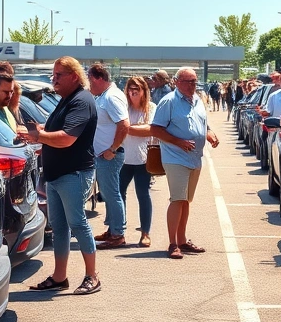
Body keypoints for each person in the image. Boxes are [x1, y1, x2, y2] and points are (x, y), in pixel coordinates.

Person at [26, 56, 101, 295]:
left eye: (59, 75)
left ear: (74, 77)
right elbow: (54, 132)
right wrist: (36, 132)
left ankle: (92, 276)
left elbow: (67, 137)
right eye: (54, 74)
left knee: (78, 224)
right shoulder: (66, 100)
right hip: (57, 175)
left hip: (73, 174)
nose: (53, 79)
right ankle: (60, 277)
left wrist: (38, 136)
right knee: (59, 228)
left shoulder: (81, 101)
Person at [150, 67, 220, 259]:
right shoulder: (169, 101)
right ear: (177, 82)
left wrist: (209, 134)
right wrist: (178, 142)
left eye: (194, 82)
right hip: (175, 157)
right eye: (188, 81)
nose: (192, 85)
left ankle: (182, 239)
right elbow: (155, 129)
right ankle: (173, 243)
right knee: (177, 199)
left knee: (186, 200)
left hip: (194, 157)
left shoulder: (198, 100)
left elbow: (202, 124)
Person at [88, 63, 130, 249]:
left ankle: (118, 234)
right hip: (103, 154)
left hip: (110, 156)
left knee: (112, 194)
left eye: (90, 80)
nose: (89, 84)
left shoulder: (112, 97)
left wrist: (112, 149)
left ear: (98, 78)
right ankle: (112, 229)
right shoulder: (105, 96)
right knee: (108, 193)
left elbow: (124, 124)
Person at [120, 76, 157, 247]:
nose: (133, 92)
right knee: (118, 195)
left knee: (143, 194)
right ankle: (118, 231)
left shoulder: (151, 108)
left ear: (144, 91)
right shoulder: (123, 108)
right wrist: (135, 129)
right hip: (122, 158)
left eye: (137, 89)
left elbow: (150, 130)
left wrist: (127, 129)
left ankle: (145, 233)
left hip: (143, 159)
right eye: (130, 89)